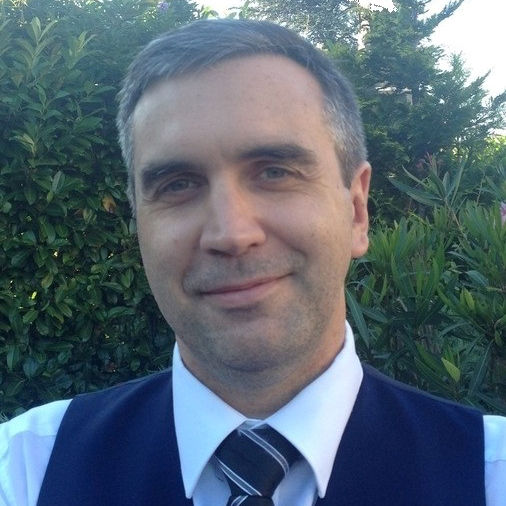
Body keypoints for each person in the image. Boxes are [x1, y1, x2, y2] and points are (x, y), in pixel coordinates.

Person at [0, 18, 505, 506]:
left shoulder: (491, 475)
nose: (231, 234)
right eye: (178, 184)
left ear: (356, 211)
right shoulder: (25, 472)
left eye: (275, 172)